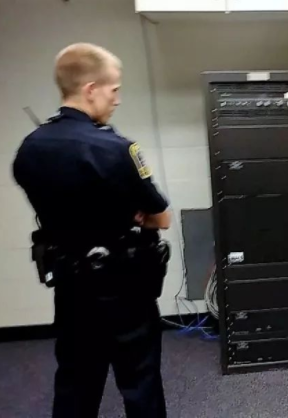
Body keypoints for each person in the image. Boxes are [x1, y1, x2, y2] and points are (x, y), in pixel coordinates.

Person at [12, 43, 171, 418]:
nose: (117, 99)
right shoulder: (115, 148)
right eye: (114, 89)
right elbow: (161, 218)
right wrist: (135, 216)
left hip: (71, 285)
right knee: (140, 382)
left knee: (75, 383)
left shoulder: (30, 149)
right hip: (125, 287)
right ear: (90, 89)